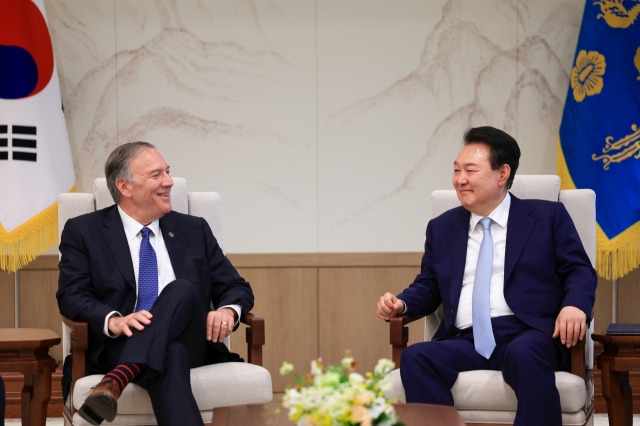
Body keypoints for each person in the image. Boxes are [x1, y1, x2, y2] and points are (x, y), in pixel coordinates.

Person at [376, 127, 597, 426]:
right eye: (456, 170)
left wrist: (575, 306)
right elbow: (429, 284)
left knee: (524, 353)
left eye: (470, 170)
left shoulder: (547, 217)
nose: (460, 179)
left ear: (502, 173)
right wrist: (401, 304)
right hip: (466, 338)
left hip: (530, 334)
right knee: (417, 358)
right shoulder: (442, 228)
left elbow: (579, 270)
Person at [57, 142, 254, 426]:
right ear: (125, 187)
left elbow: (237, 287)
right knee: (170, 353)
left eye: (168, 172)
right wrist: (112, 321)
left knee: (183, 290)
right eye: (156, 175)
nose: (169, 182)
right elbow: (71, 295)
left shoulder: (193, 229)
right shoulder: (84, 231)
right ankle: (122, 372)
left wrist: (228, 310)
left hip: (193, 339)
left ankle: (115, 380)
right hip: (119, 344)